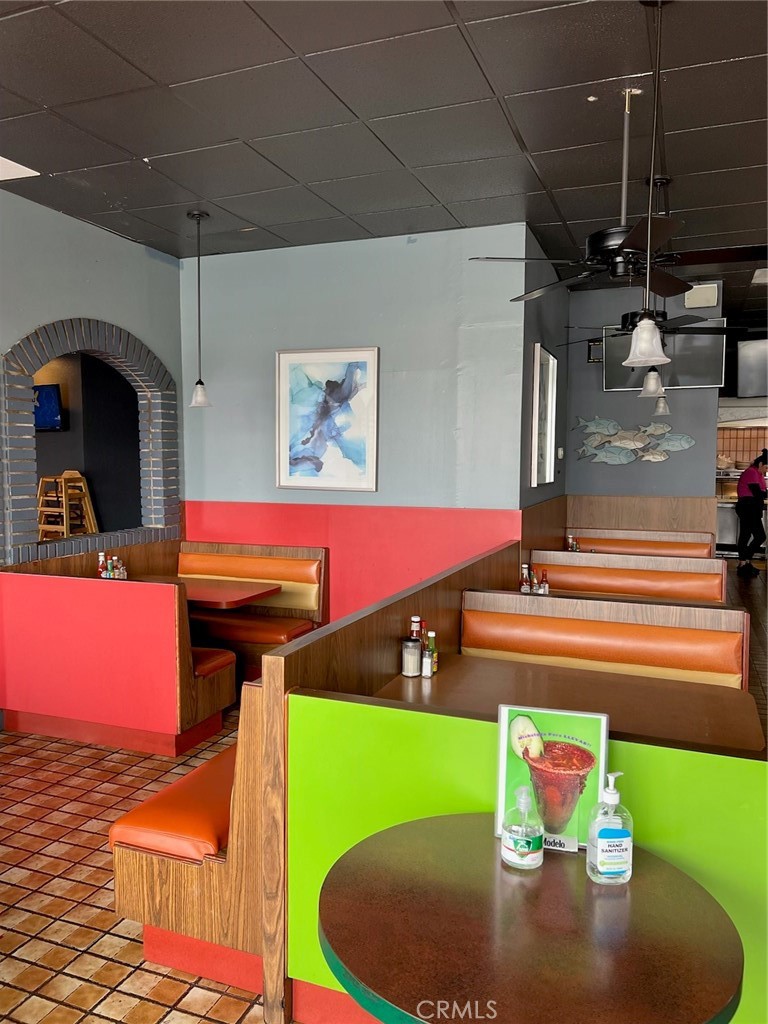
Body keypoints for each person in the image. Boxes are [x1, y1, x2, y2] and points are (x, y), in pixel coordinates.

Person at [735, 448, 767, 578]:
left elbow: (763, 493)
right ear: (760, 464)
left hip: (752, 507)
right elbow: (758, 493)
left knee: (749, 535)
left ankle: (744, 562)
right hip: (747, 506)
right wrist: (763, 495)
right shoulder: (751, 472)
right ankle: (744, 561)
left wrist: (763, 494)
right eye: (766, 467)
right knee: (757, 536)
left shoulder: (758, 474)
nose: (766, 471)